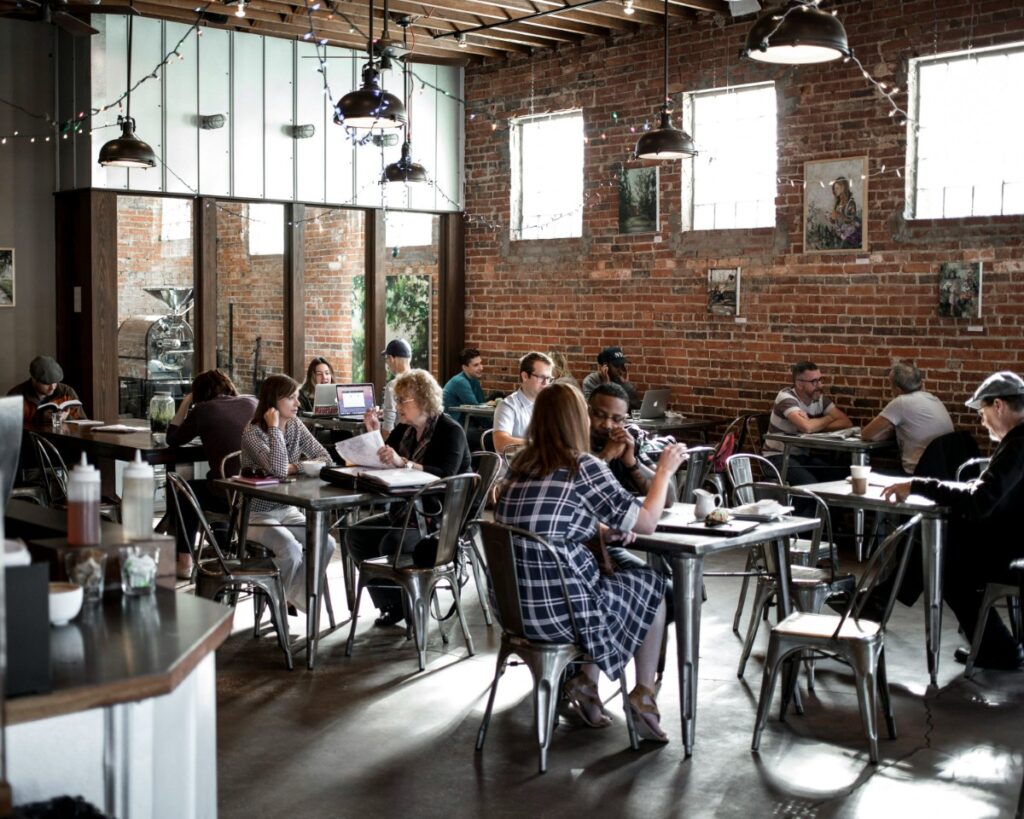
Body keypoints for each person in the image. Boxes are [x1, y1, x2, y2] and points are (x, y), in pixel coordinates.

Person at [495, 383, 687, 741]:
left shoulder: (520, 467)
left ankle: (586, 683)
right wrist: (663, 472)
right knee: (653, 587)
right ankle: (643, 694)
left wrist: (600, 532)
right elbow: (646, 522)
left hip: (515, 611)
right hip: (559, 613)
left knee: (613, 583)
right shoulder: (581, 465)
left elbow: (550, 522)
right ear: (575, 420)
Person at [881, 372, 1024, 671]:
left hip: (1014, 547)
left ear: (998, 405)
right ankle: (880, 600)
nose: (982, 421)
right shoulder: (1017, 442)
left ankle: (999, 650)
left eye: (983, 412)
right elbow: (984, 496)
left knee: (940, 560)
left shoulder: (1018, 445)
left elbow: (979, 501)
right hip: (1014, 536)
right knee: (933, 541)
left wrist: (920, 485)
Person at [347, 369, 471, 627]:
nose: (398, 406)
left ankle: (413, 605)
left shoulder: (450, 431)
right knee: (355, 535)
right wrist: (373, 432)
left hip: (438, 518)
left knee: (392, 542)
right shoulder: (404, 429)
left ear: (423, 400)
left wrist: (404, 463)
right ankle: (391, 604)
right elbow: (383, 459)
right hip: (406, 512)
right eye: (398, 399)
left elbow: (444, 476)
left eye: (403, 400)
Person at [240, 374, 335, 612]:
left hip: (287, 508)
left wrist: (297, 467)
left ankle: (284, 596)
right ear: (274, 400)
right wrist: (274, 428)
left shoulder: (295, 425)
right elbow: (280, 470)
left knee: (327, 543)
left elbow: (326, 458)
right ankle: (280, 599)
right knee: (291, 550)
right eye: (291, 398)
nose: (298, 403)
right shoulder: (253, 432)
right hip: (255, 515)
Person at [167, 369, 257, 578]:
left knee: (186, 491)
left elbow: (172, 438)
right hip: (258, 492)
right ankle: (224, 544)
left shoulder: (204, 410)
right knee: (217, 481)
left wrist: (185, 403)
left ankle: (184, 561)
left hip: (229, 495)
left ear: (198, 394)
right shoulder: (252, 402)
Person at [762, 360, 852, 484]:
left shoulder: (818, 398)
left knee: (842, 477)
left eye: (821, 379)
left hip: (801, 457)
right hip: (776, 457)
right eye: (814, 382)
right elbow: (807, 428)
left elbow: (846, 422)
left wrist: (816, 425)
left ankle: (824, 504)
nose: (820, 385)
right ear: (799, 384)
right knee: (810, 483)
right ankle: (805, 504)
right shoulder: (786, 397)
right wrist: (829, 418)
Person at [861, 362, 954, 475]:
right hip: (943, 470)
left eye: (890, 385)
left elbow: (866, 434)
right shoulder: (934, 399)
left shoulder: (901, 402)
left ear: (898, 390)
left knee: (864, 475)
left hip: (918, 472)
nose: (890, 390)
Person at [492, 352, 553, 453]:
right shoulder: (508, 405)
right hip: (517, 466)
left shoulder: (550, 404)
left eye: (549, 379)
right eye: (541, 377)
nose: (545, 383)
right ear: (525, 376)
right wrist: (540, 445)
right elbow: (500, 443)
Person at [8, 356, 87, 424]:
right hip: (30, 440)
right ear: (34, 379)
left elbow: (83, 422)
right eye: (47, 383)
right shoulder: (16, 395)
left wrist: (66, 418)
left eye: (55, 382)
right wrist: (41, 419)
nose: (52, 387)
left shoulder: (66, 392)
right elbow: (9, 427)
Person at [442, 347, 485, 423]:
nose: (481, 368)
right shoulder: (460, 382)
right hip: (453, 427)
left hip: (465, 423)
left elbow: (482, 405)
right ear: (465, 367)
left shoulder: (474, 380)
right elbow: (477, 410)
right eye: (476, 365)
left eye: (480, 363)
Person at [379, 339, 412, 436]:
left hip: (402, 442)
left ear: (391, 358)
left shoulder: (393, 385)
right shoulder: (419, 381)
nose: (387, 364)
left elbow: (387, 428)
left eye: (386, 359)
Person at [828, 176, 862, 248]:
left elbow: (852, 220)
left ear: (843, 188)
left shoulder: (851, 203)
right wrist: (831, 219)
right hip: (840, 234)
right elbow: (836, 221)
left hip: (851, 236)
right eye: (834, 189)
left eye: (837, 188)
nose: (835, 191)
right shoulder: (837, 203)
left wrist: (839, 215)